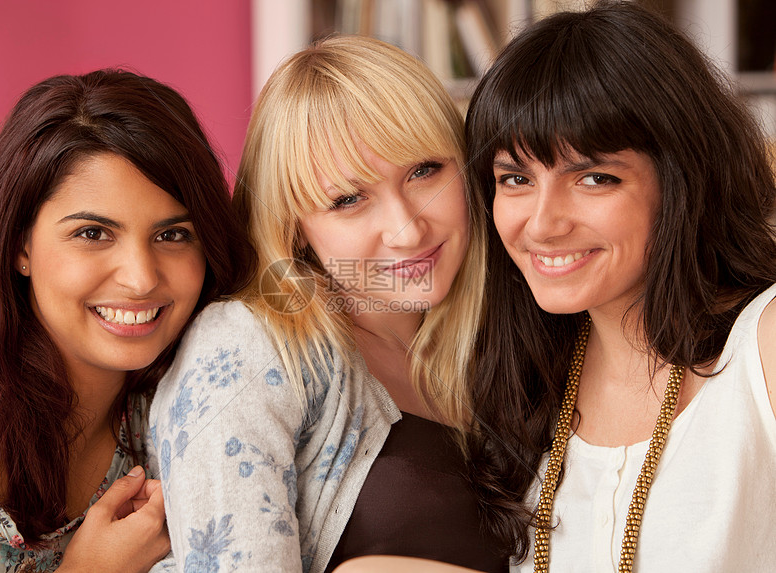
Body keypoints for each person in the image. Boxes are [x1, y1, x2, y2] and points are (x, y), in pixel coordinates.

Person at [148, 35, 513, 573]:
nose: (408, 229)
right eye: (347, 199)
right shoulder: (249, 347)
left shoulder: (499, 339)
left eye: (424, 171)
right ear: (293, 228)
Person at [463, 1, 776, 571]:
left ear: (682, 181)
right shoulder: (516, 388)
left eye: (594, 178)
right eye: (514, 179)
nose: (542, 223)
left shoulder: (764, 348)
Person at [0, 69, 254, 572]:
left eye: (173, 235)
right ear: (18, 245)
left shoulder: (188, 411)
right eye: (94, 233)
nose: (141, 279)